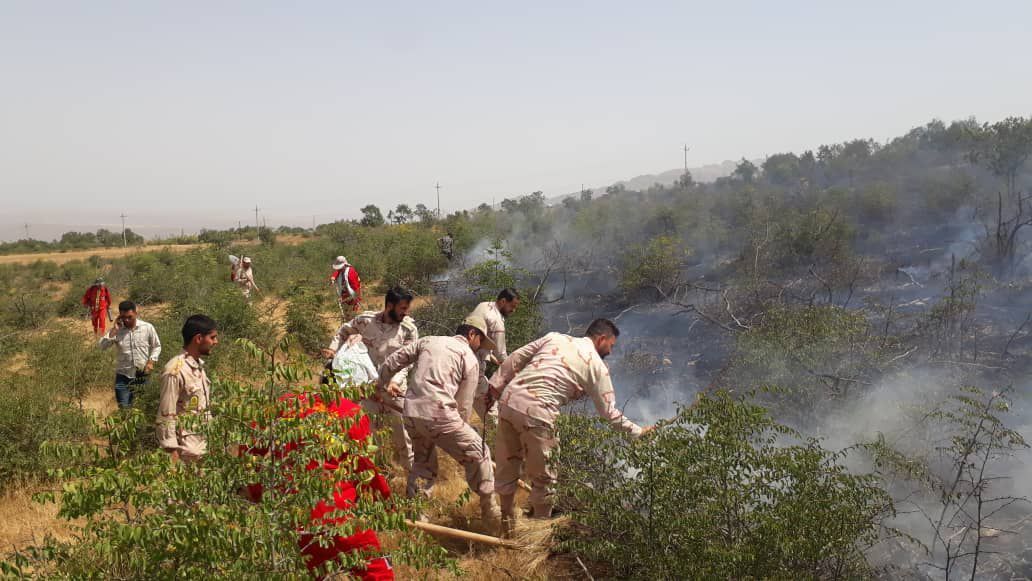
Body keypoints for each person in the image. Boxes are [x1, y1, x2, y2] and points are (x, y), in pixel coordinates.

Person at [488, 318, 651, 529]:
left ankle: (506, 525)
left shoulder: (555, 337)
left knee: (507, 467)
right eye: (611, 345)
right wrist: (638, 432)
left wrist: (494, 386)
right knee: (544, 479)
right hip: (538, 411)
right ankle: (538, 535)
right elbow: (609, 412)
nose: (610, 351)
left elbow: (516, 357)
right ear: (601, 339)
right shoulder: (596, 365)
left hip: (509, 402)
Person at [241, 393, 395, 580]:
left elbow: (250, 448)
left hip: (296, 514)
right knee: (378, 572)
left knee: (317, 573)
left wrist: (255, 490)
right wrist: (386, 505)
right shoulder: (351, 413)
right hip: (339, 515)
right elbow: (365, 469)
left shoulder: (286, 405)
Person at [376, 315, 499, 525]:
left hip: (412, 413)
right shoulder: (469, 358)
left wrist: (381, 386)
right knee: (480, 452)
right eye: (480, 341)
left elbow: (391, 362)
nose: (480, 348)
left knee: (423, 464)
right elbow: (463, 406)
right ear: (472, 334)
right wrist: (459, 432)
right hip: (441, 415)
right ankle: (492, 513)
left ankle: (417, 517)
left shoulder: (428, 340)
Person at [321, 287, 418, 470]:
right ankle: (378, 472)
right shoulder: (366, 320)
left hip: (393, 389)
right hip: (366, 387)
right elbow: (344, 330)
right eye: (403, 308)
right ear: (390, 306)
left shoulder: (408, 330)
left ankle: (411, 477)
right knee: (368, 432)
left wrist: (395, 382)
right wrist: (333, 350)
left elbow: (407, 361)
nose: (406, 312)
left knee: (401, 435)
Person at [157, 314, 219, 462]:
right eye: (212, 337)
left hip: (203, 446)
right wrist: (172, 453)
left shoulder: (197, 367)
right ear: (198, 339)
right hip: (187, 452)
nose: (216, 342)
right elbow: (166, 414)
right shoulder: (175, 370)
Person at [468, 288, 520, 424]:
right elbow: (502, 355)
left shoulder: (482, 305)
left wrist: (490, 356)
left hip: (460, 356)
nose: (513, 310)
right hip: (474, 365)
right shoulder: (497, 322)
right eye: (512, 306)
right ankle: (495, 436)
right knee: (489, 405)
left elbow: (477, 332)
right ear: (503, 301)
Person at [98, 300, 162, 408]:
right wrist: (114, 330)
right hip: (123, 377)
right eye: (123, 317)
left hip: (142, 376)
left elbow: (157, 346)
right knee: (124, 410)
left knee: (142, 408)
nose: (126, 320)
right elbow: (102, 346)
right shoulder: (117, 331)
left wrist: (151, 362)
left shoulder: (147, 327)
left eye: (129, 317)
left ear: (135, 313)